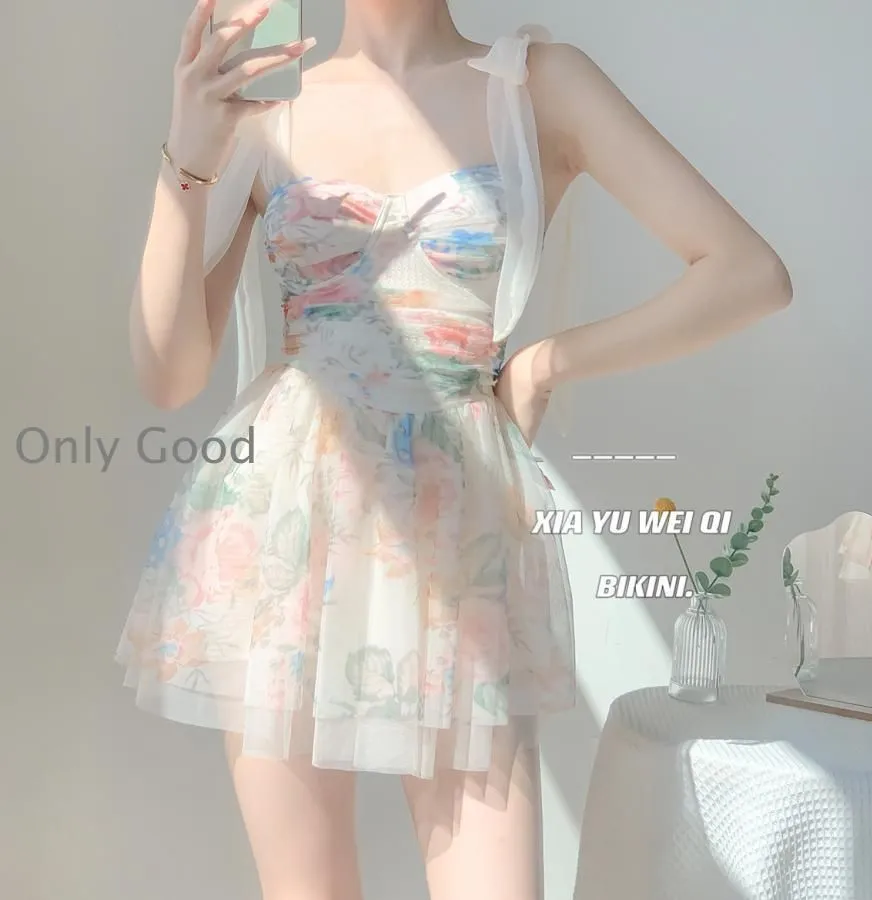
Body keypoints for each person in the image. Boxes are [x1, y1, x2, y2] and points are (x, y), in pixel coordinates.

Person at [116, 0, 793, 897]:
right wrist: (187, 157)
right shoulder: (267, 105)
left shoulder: (537, 85)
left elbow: (749, 273)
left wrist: (549, 361)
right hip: (284, 528)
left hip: (458, 528)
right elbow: (168, 375)